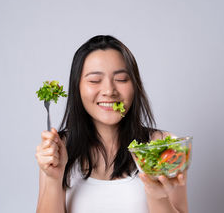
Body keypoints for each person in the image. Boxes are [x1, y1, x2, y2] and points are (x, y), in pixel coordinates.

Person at [35, 35, 189, 213]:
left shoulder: (165, 145)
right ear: (77, 88)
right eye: (94, 80)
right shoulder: (58, 148)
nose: (109, 91)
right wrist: (54, 179)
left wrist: (158, 196)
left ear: (135, 86)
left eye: (122, 79)